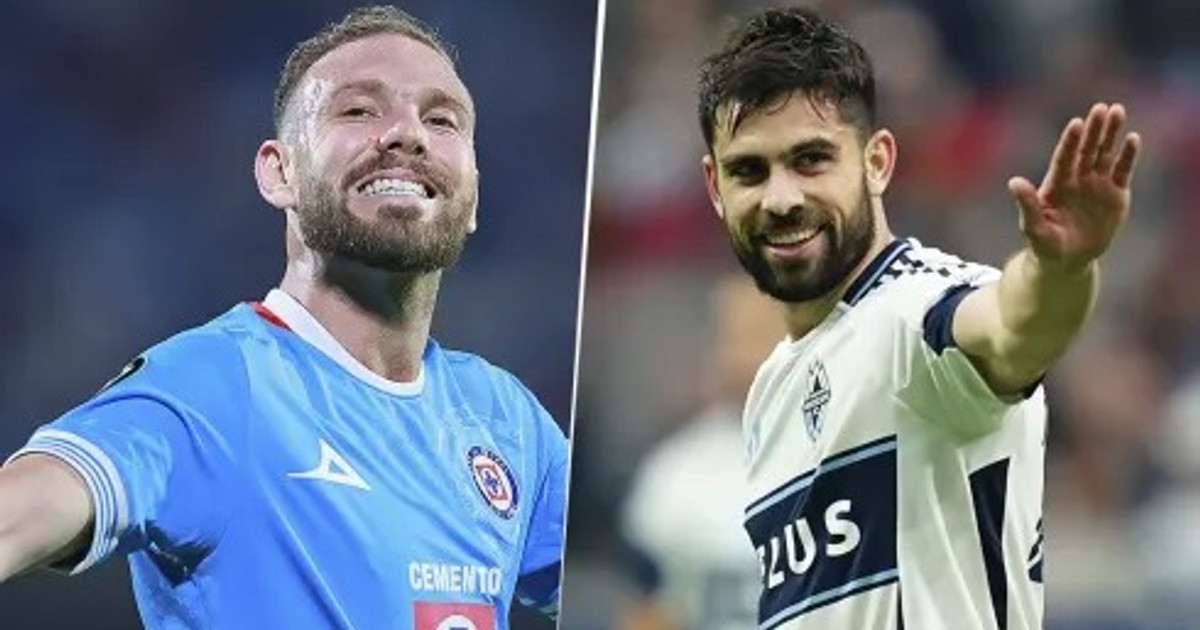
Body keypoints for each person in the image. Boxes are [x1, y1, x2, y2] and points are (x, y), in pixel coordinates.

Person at [0, 6, 567, 630]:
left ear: (473, 196)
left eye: (441, 118)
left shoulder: (505, 418)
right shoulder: (217, 385)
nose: (409, 134)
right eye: (358, 110)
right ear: (279, 172)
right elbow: (31, 503)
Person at [696, 6, 1140, 630]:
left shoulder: (919, 312)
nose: (782, 198)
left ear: (877, 162)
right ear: (716, 188)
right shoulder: (771, 387)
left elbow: (1015, 324)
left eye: (811, 160)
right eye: (750, 170)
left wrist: (1060, 269)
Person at [618, 274, 784, 630]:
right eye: (734, 336)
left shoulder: (861, 457)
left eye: (761, 333)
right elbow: (650, 613)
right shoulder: (674, 474)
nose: (747, 354)